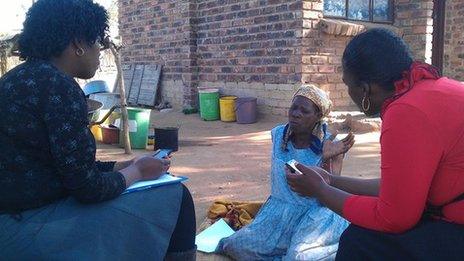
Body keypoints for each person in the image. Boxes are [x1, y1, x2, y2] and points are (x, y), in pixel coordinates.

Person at [0, 1, 195, 260]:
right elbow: (88, 189)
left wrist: (121, 166)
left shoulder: (15, 79)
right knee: (176, 196)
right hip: (30, 226)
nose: (99, 53)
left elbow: (60, 163)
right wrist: (137, 172)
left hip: (12, 214)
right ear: (78, 44)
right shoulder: (60, 87)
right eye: (97, 44)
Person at [287, 28, 464, 260]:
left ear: (365, 90)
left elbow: (394, 218)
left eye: (348, 84)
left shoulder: (405, 112)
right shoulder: (435, 87)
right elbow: (401, 187)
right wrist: (332, 180)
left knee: (359, 241)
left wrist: (320, 190)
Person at [218, 84, 355, 260]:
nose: (296, 113)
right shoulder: (277, 135)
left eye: (304, 111)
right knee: (234, 245)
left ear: (318, 116)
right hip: (279, 214)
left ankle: (335, 248)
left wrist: (328, 157)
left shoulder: (330, 143)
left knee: (298, 257)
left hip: (315, 217)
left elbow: (331, 187)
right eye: (294, 107)